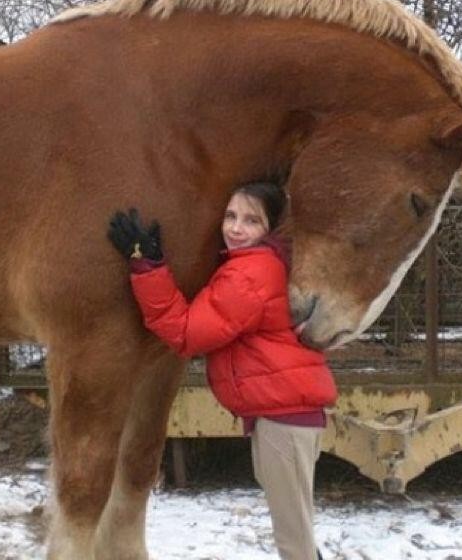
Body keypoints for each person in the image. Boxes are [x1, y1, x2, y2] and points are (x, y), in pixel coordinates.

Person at [108, 181, 337, 560]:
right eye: (230, 216)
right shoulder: (261, 263)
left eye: (251, 220)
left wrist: (147, 266)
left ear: (270, 229)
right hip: (285, 414)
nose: (235, 228)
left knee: (293, 536)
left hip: (284, 418)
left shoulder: (251, 273)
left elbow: (185, 332)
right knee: (294, 527)